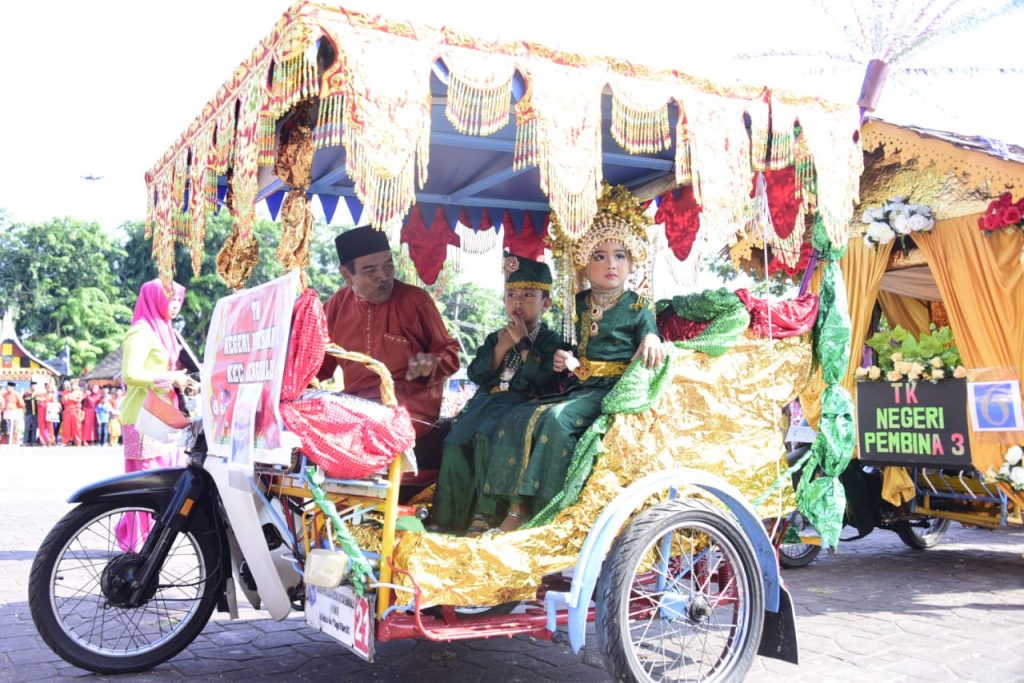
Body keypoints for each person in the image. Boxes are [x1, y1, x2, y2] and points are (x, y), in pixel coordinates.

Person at [480, 207, 664, 531]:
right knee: (516, 415)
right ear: (584, 263)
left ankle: (550, 508)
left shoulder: (637, 305)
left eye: (620, 256)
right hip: (579, 387)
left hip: (610, 390)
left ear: (631, 263)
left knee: (555, 420)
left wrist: (650, 338)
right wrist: (562, 359)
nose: (611, 264)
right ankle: (515, 507)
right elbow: (568, 347)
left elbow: (650, 331)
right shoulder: (577, 304)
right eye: (600, 256)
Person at [431, 255, 561, 532]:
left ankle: (487, 513)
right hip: (489, 401)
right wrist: (502, 348)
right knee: (455, 442)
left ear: (545, 303)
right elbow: (477, 374)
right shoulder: (496, 336)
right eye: (511, 295)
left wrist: (523, 343)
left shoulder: (552, 341)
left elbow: (544, 379)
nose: (518, 302)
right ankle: (448, 517)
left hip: (521, 404)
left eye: (528, 295)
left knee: (486, 438)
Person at [317, 225, 461, 469]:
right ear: (346, 274)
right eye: (370, 270)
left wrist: (432, 364)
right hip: (356, 406)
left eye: (388, 265)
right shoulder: (336, 306)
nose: (383, 276)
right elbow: (318, 365)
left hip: (411, 409)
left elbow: (451, 354)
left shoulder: (416, 300)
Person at [116, 279, 195, 551]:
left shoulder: (165, 331)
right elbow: (130, 374)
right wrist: (168, 377)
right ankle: (138, 542)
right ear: (153, 298)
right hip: (141, 416)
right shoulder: (141, 332)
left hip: (162, 414)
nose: (174, 306)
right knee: (146, 482)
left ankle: (147, 535)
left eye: (178, 301)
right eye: (170, 299)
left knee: (161, 479)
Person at [60, 381, 85, 446]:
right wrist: (73, 399)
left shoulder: (80, 392)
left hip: (76, 410)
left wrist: (70, 399)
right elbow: (64, 401)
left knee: (77, 427)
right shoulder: (66, 392)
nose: (73, 386)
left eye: (75, 384)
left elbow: (79, 400)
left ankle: (78, 441)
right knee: (66, 427)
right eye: (72, 385)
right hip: (67, 410)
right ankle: (65, 441)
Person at [39, 382, 58, 446]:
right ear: (45, 388)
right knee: (42, 427)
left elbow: (54, 404)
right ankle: (43, 441)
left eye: (50, 387)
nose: (48, 389)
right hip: (42, 412)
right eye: (47, 387)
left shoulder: (53, 396)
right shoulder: (41, 394)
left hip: (49, 413)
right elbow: (39, 402)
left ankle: (51, 440)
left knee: (50, 427)